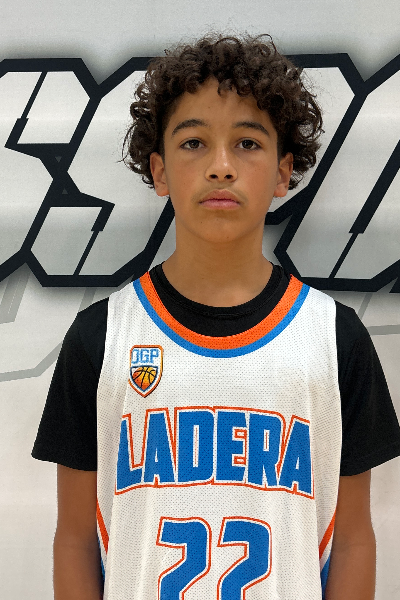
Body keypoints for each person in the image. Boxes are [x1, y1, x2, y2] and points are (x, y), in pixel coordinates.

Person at [32, 33, 400, 600]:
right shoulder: (101, 337)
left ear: (283, 172)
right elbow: (77, 538)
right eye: (194, 142)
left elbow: (351, 539)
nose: (221, 167)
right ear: (159, 171)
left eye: (247, 143)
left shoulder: (334, 338)